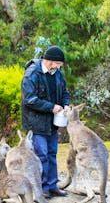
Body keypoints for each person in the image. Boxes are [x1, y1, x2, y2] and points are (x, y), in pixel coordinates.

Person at [21, 45, 70, 198]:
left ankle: (52, 185)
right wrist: (51, 107)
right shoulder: (31, 74)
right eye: (58, 64)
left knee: (52, 153)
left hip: (52, 122)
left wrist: (66, 104)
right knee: (41, 155)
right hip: (35, 122)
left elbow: (65, 92)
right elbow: (29, 100)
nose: (59, 67)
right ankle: (41, 188)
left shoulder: (57, 73)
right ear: (49, 61)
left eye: (60, 65)